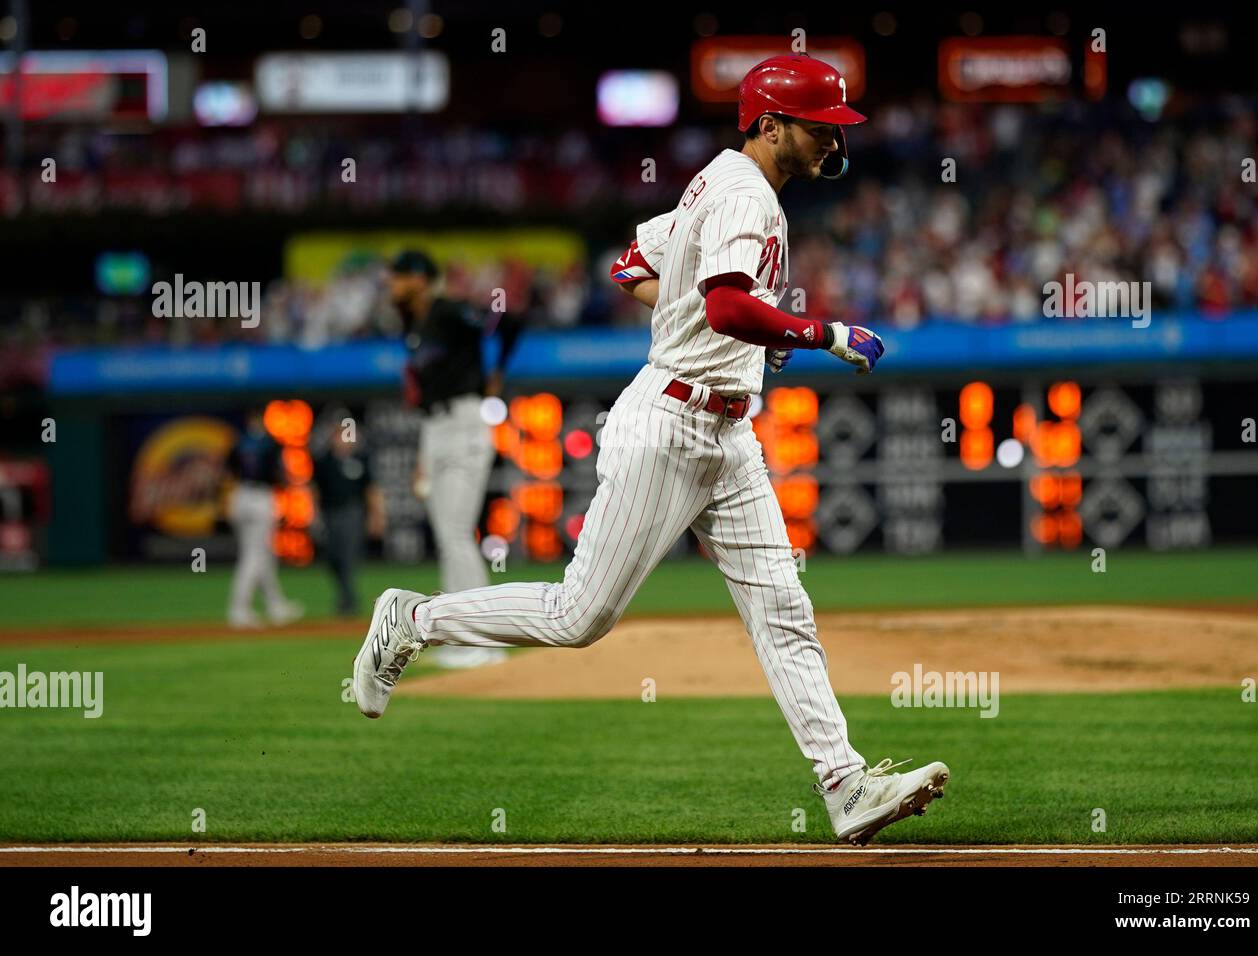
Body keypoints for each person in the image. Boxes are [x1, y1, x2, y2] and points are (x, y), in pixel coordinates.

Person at [354, 55, 950, 844]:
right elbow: (731, 302)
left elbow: (634, 265)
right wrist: (820, 334)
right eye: (819, 125)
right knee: (579, 617)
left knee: (782, 608)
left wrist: (731, 332)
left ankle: (844, 785)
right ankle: (412, 620)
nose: (831, 141)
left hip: (726, 432)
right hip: (670, 426)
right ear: (770, 125)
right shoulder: (744, 195)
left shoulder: (716, 183)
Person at [388, 249, 523, 669]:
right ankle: (459, 638)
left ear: (421, 279)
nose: (392, 284)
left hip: (465, 422)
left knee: (458, 533)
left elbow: (508, 321)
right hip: (435, 430)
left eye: (399, 276)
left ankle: (485, 640)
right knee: (449, 537)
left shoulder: (447, 311)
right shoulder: (413, 322)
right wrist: (422, 457)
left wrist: (497, 370)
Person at [225, 406, 304, 629]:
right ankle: (238, 608)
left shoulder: (239, 442)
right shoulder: (269, 443)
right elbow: (280, 474)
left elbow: (228, 472)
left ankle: (275, 606)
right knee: (254, 556)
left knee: (264, 556)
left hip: (239, 497)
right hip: (260, 498)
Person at [312, 410, 384, 616]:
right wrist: (314, 515)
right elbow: (315, 490)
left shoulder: (360, 459)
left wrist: (376, 515)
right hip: (330, 513)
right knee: (333, 557)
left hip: (353, 512)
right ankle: (346, 595)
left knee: (348, 556)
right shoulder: (324, 460)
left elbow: (371, 490)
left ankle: (348, 600)